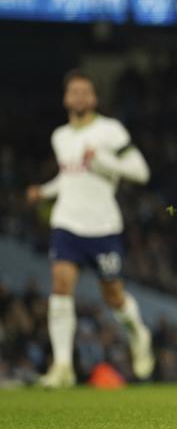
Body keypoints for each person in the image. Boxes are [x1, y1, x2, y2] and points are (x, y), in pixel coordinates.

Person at [25, 70, 154, 387]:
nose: (80, 97)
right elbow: (69, 178)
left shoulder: (110, 131)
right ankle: (63, 366)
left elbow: (141, 172)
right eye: (74, 92)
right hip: (67, 223)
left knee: (113, 296)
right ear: (66, 98)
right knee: (60, 286)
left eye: (85, 92)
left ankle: (138, 333)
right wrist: (44, 191)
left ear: (94, 98)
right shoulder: (60, 136)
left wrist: (103, 162)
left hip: (103, 226)